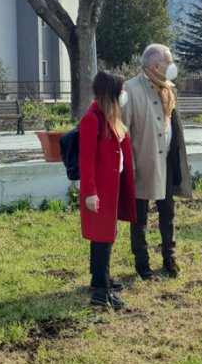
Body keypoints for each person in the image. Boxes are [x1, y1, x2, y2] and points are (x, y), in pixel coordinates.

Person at [122, 43, 193, 280]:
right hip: (142, 164)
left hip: (167, 161)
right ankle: (142, 265)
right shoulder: (130, 89)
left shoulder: (168, 88)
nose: (173, 67)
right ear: (155, 66)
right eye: (169, 63)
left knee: (168, 213)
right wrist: (129, 166)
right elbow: (124, 131)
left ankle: (169, 259)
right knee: (139, 217)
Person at [79, 70, 136, 309]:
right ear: (111, 94)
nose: (124, 94)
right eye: (121, 90)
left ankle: (99, 279)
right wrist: (90, 192)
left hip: (111, 189)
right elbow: (86, 160)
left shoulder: (109, 118)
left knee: (105, 235)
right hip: (100, 191)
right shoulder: (92, 120)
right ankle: (101, 293)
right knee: (103, 237)